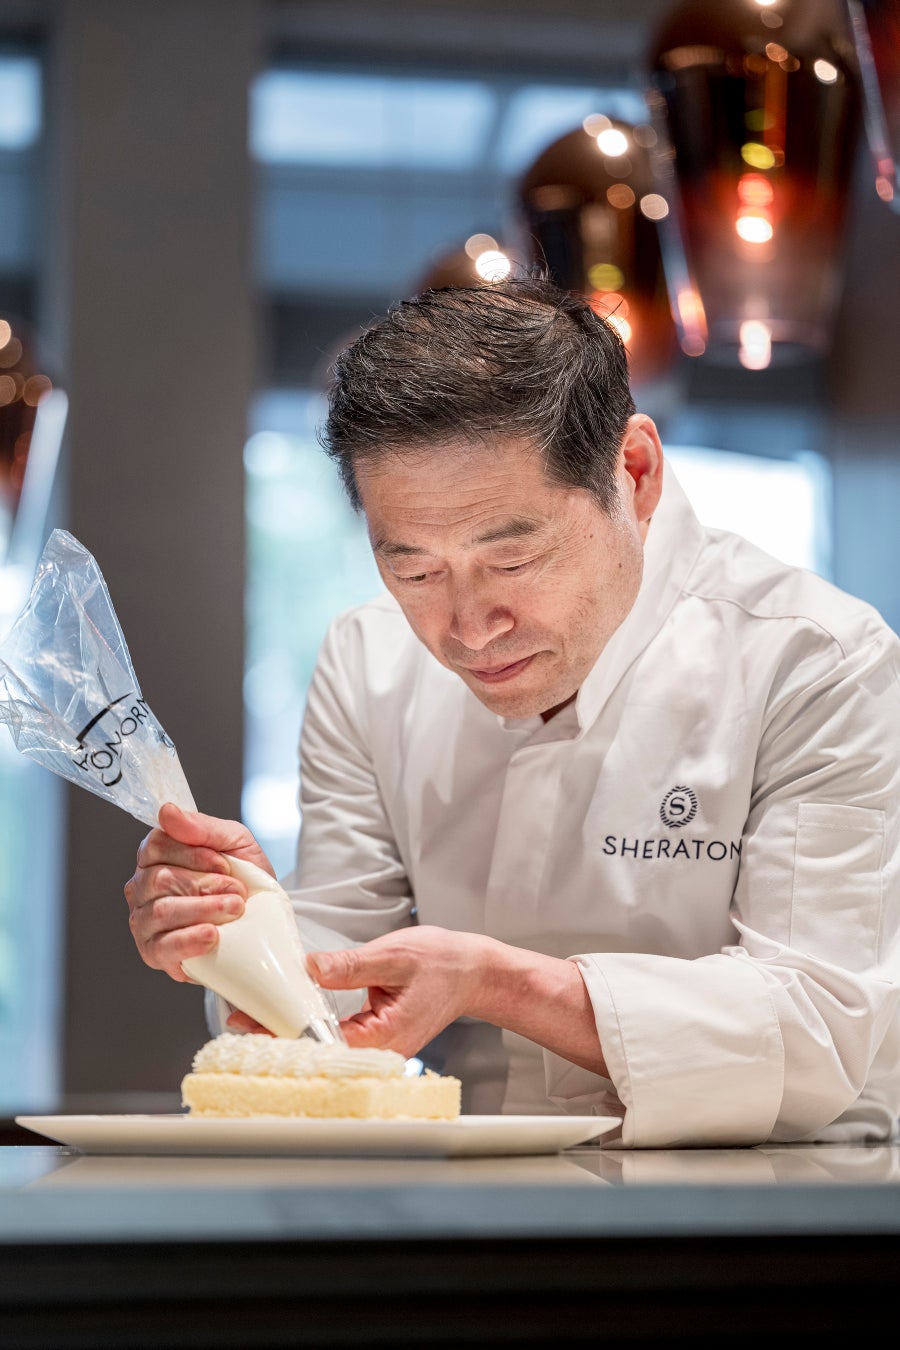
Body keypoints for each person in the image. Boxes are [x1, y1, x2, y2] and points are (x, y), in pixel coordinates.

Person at [125, 276, 900, 1148]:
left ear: (636, 474)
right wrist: (243, 928)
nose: (468, 628)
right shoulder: (368, 660)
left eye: (514, 560)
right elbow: (329, 1010)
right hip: (482, 1184)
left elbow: (816, 1031)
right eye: (416, 570)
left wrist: (497, 983)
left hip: (784, 1189)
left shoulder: (814, 660)